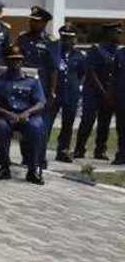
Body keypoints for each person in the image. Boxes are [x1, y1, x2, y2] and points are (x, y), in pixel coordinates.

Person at [0, 45, 47, 185]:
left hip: (28, 115)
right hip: (7, 116)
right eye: (12, 60)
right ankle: (4, 167)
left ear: (22, 61)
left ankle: (33, 170)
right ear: (6, 61)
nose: (15, 62)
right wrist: (7, 113)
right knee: (1, 126)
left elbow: (41, 102)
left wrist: (27, 112)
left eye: (18, 60)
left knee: (36, 126)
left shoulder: (32, 81)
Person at [17, 6, 59, 167]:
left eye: (36, 22)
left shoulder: (51, 41)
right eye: (31, 21)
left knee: (42, 127)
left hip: (42, 89)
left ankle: (39, 159)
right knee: (24, 123)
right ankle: (26, 157)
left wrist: (52, 92)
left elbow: (54, 68)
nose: (32, 24)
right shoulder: (23, 38)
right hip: (23, 88)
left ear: (44, 23)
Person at [74, 22, 120, 160]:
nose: (118, 35)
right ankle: (79, 149)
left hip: (109, 93)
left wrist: (111, 93)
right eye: (116, 32)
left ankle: (100, 150)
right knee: (88, 120)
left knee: (104, 122)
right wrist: (103, 92)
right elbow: (91, 72)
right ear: (107, 33)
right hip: (93, 92)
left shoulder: (117, 51)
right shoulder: (96, 49)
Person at [53, 24, 86, 163]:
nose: (66, 41)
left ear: (74, 40)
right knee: (48, 122)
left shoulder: (80, 56)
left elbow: (82, 74)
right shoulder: (54, 53)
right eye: (64, 38)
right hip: (55, 92)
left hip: (71, 93)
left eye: (69, 38)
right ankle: (40, 151)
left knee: (68, 124)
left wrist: (77, 87)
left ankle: (63, 151)